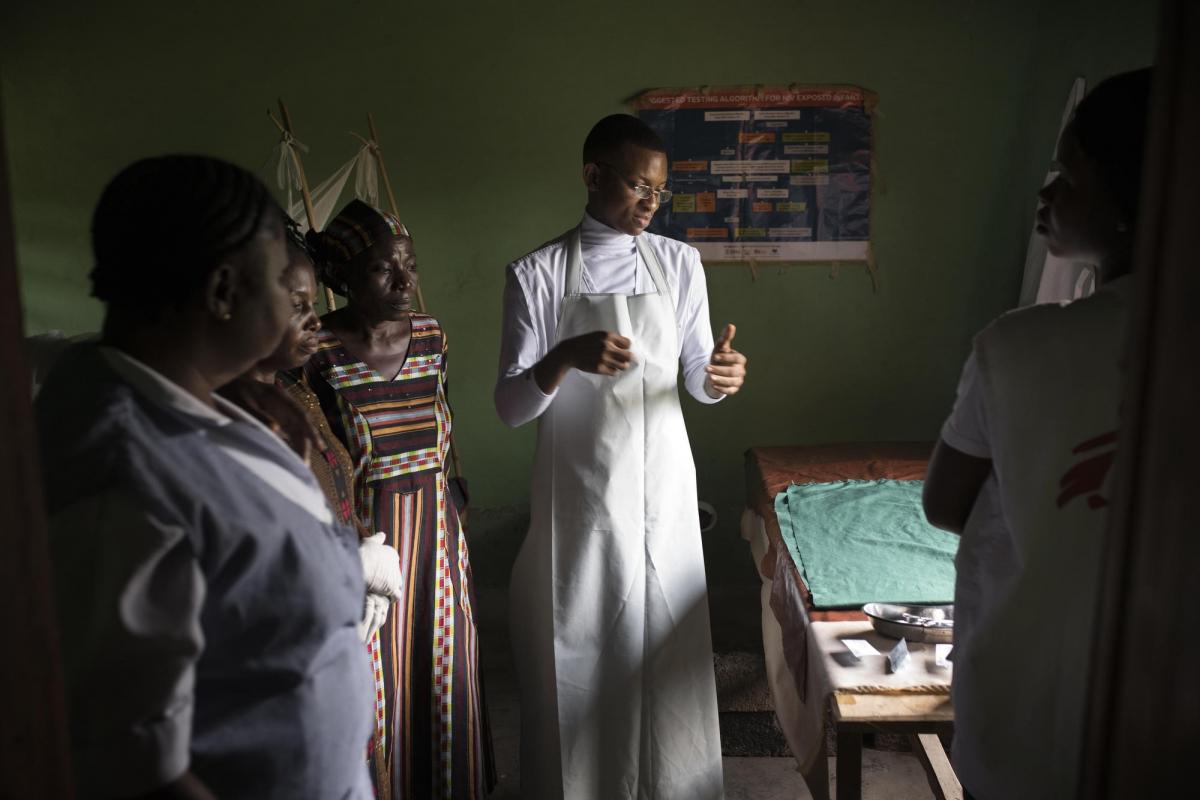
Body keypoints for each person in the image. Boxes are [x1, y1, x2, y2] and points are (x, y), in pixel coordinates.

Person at [36, 155, 374, 798]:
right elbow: (135, 766)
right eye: (282, 281)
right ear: (223, 293)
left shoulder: (192, 402)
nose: (301, 303)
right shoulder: (121, 475)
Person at [495, 113, 748, 799]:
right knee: (580, 649)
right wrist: (564, 358)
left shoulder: (678, 263)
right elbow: (512, 407)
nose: (648, 205)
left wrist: (719, 377)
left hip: (663, 497)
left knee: (666, 656)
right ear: (593, 174)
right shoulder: (539, 274)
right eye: (638, 186)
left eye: (659, 193)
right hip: (582, 503)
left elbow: (696, 375)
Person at [922, 68, 1153, 800]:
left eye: (1068, 173)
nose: (1046, 193)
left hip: (1041, 707)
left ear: (1127, 200)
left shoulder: (1021, 348)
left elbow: (945, 503)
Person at [304, 199, 494, 800]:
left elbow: (443, 429)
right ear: (347, 279)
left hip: (437, 538)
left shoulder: (432, 337)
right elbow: (320, 459)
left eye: (409, 265)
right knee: (374, 676)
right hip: (368, 541)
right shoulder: (318, 354)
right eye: (386, 270)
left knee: (443, 670)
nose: (407, 281)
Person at [224, 219, 403, 797]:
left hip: (330, 657)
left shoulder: (290, 392)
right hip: (279, 695)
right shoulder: (227, 422)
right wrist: (353, 569)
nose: (313, 319)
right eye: (297, 303)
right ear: (228, 301)